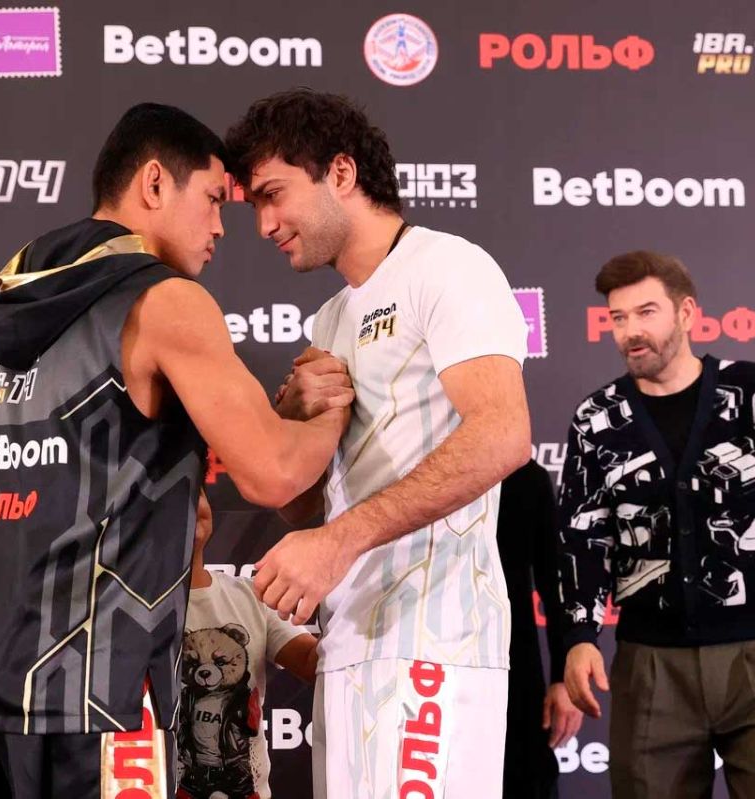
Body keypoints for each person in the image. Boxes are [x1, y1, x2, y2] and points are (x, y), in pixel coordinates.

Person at [0, 102, 351, 799]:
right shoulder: (164, 300)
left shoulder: (7, 309)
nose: (220, 228)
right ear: (153, 183)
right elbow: (272, 474)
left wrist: (6, 612)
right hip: (100, 700)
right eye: (213, 200)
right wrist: (326, 412)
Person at [224, 89, 532, 799]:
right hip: (350, 640)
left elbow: (505, 434)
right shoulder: (331, 318)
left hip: (435, 639)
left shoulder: (448, 266)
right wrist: (296, 418)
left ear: (340, 172)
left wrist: (338, 542)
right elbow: (302, 508)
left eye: (273, 195)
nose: (265, 225)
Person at [557, 250, 755, 799]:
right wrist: (579, 636)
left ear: (687, 312)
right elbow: (583, 535)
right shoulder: (596, 418)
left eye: (646, 312)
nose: (630, 331)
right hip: (650, 667)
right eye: (618, 318)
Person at [177, 490, 318, 799]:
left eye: (195, 490)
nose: (189, 503)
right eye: (173, 493)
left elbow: (314, 664)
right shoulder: (125, 610)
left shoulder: (250, 596)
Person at [496, 460, 581, 799]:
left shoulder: (525, 477)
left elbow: (555, 583)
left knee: (526, 778)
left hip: (516, 665)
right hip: (437, 665)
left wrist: (563, 678)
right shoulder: (426, 476)